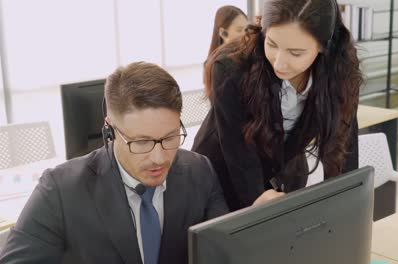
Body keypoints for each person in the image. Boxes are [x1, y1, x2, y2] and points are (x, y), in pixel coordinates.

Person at [0, 62, 228, 264]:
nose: (159, 158)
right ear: (110, 130)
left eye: (170, 138)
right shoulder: (60, 191)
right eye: (142, 142)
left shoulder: (200, 171)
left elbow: (223, 253)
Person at [193, 0, 363, 211]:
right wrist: (257, 197)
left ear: (323, 45)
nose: (280, 63)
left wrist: (345, 202)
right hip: (223, 171)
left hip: (283, 172)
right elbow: (238, 150)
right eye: (271, 44)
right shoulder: (232, 68)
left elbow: (343, 144)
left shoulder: (340, 71)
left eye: (296, 52)